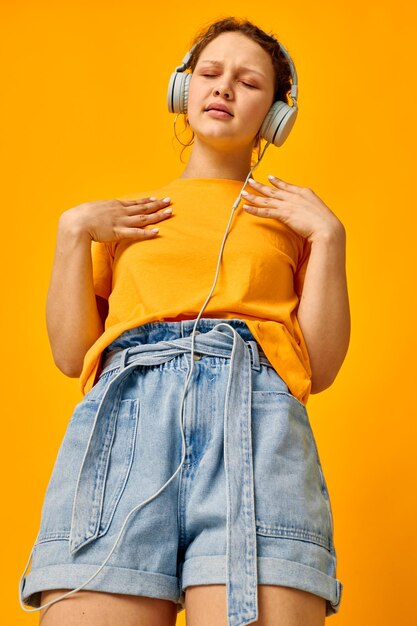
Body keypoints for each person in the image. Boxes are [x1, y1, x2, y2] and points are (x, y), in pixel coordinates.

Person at [19, 16, 350, 626]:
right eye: (210, 73)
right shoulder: (128, 219)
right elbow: (73, 357)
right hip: (127, 431)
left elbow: (319, 368)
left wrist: (329, 237)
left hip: (253, 425)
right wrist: (72, 234)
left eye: (248, 82)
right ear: (183, 89)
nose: (224, 88)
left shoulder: (293, 223)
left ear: (276, 117)